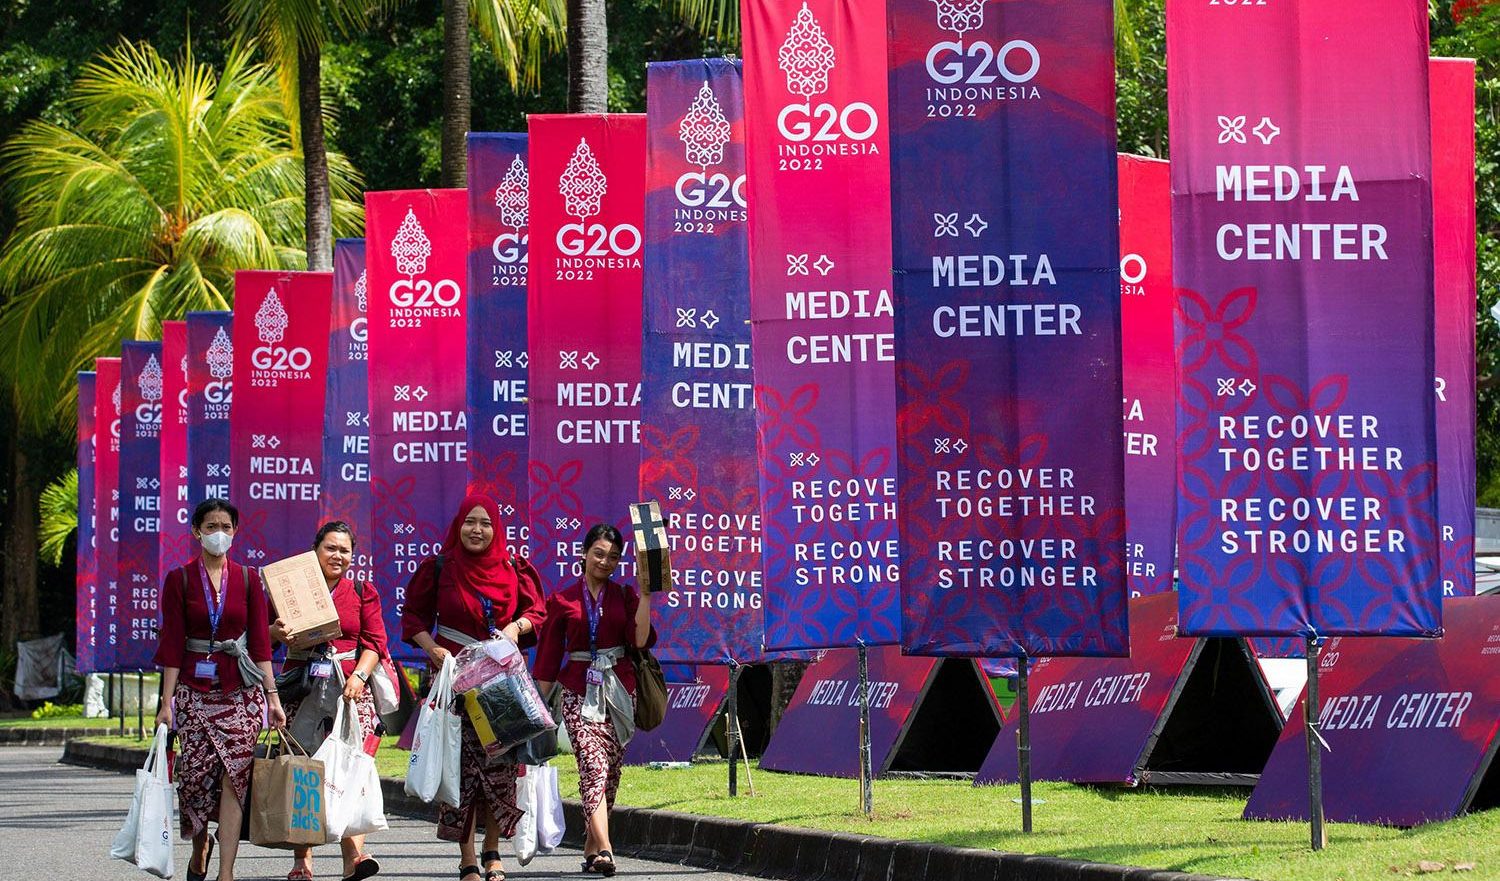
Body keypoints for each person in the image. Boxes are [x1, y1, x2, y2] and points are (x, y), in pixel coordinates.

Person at [402, 494, 546, 881]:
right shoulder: (439, 567)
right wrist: (431, 648)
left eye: (485, 523)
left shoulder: (515, 568)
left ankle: (493, 850)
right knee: (459, 767)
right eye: (470, 522)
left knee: (499, 767)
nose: (476, 530)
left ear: (496, 529)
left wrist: (517, 626)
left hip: (501, 682)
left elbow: (538, 612)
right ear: (458, 525)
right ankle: (467, 856)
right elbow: (412, 615)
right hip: (453, 680)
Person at [154, 498, 286, 881]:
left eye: (226, 527)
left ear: (235, 532)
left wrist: (272, 698)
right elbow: (172, 645)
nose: (219, 534)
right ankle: (200, 848)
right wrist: (167, 704)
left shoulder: (247, 579)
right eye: (211, 526)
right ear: (196, 531)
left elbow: (261, 644)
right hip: (193, 694)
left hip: (240, 693)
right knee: (194, 780)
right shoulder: (178, 579)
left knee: (235, 778)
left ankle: (226, 871)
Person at [534, 523, 656, 878]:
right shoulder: (562, 601)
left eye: (613, 557)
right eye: (599, 553)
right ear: (584, 553)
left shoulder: (625, 595)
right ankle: (605, 847)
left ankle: (590, 847)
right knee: (593, 767)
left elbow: (641, 640)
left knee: (611, 774)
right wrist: (535, 707)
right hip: (576, 689)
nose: (605, 561)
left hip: (619, 690)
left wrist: (646, 597)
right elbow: (546, 658)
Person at [271, 521, 389, 881]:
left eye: (344, 550)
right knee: (303, 768)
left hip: (351, 688)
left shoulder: (362, 590)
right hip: (303, 687)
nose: (337, 555)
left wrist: (360, 675)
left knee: (353, 769)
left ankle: (353, 856)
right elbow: (267, 639)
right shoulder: (290, 588)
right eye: (330, 548)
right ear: (315, 549)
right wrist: (276, 632)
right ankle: (302, 860)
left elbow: (376, 642)